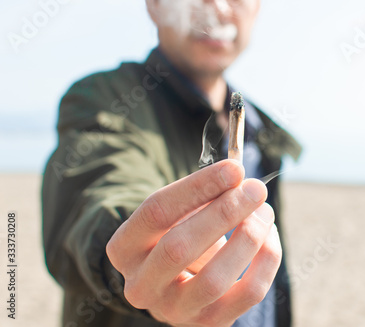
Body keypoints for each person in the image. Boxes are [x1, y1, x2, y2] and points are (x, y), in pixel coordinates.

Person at [42, 0, 301, 326]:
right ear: (155, 5)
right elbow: (101, 190)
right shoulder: (106, 101)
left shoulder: (262, 134)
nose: (218, 8)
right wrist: (141, 256)